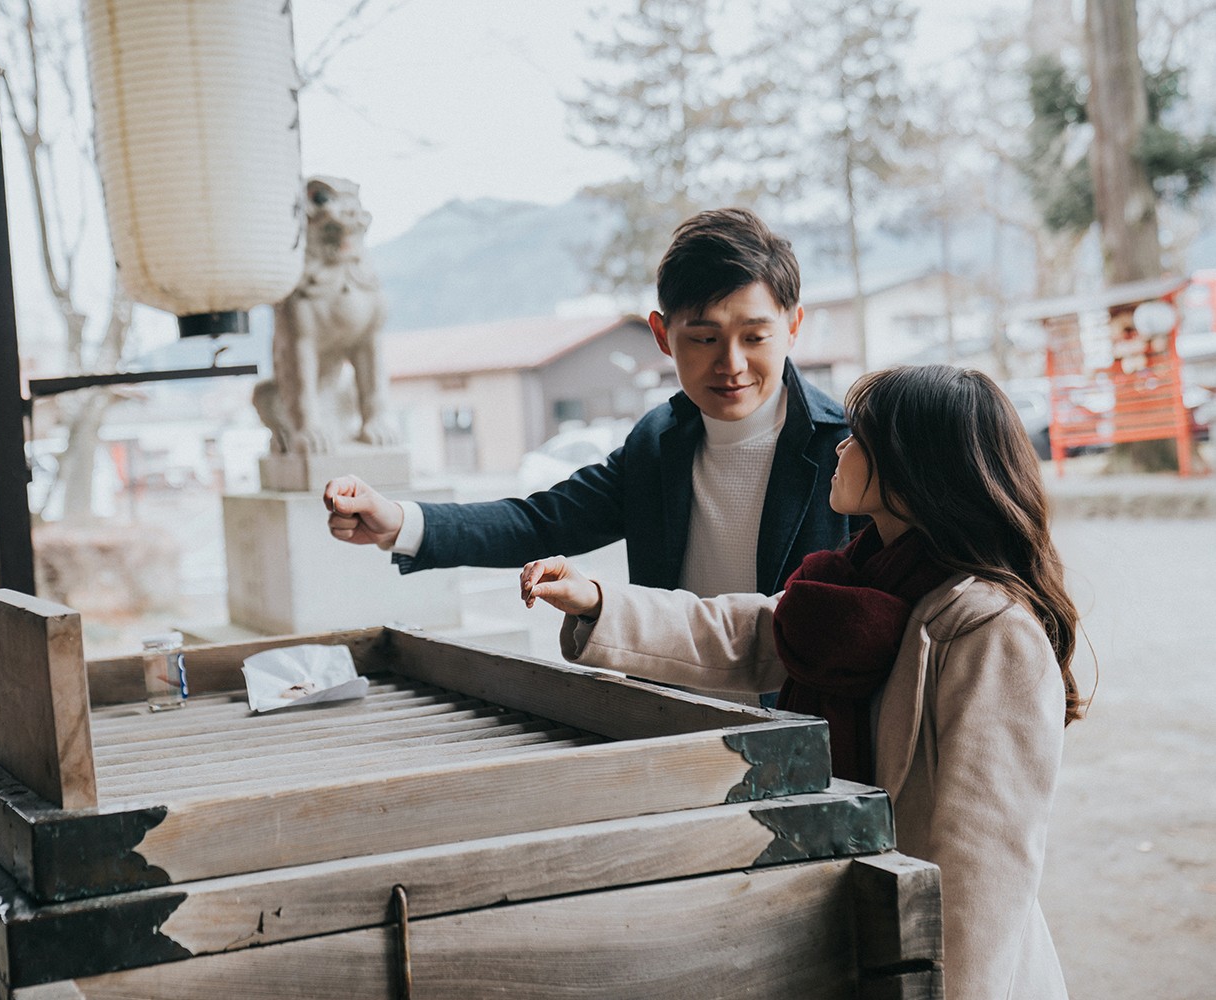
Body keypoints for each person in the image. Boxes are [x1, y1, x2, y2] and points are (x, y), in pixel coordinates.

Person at [521, 364, 1081, 1000]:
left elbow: (983, 865)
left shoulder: (989, 629)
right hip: (843, 915)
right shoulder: (855, 585)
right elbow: (743, 630)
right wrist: (597, 602)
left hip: (936, 959)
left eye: (861, 437)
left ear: (912, 465)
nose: (841, 445)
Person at [323, 208, 853, 627]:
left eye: (755, 337)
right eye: (705, 338)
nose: (731, 363)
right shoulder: (657, 443)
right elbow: (542, 521)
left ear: (794, 326)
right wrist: (399, 520)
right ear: (663, 336)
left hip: (807, 733)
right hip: (674, 721)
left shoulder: (850, 450)